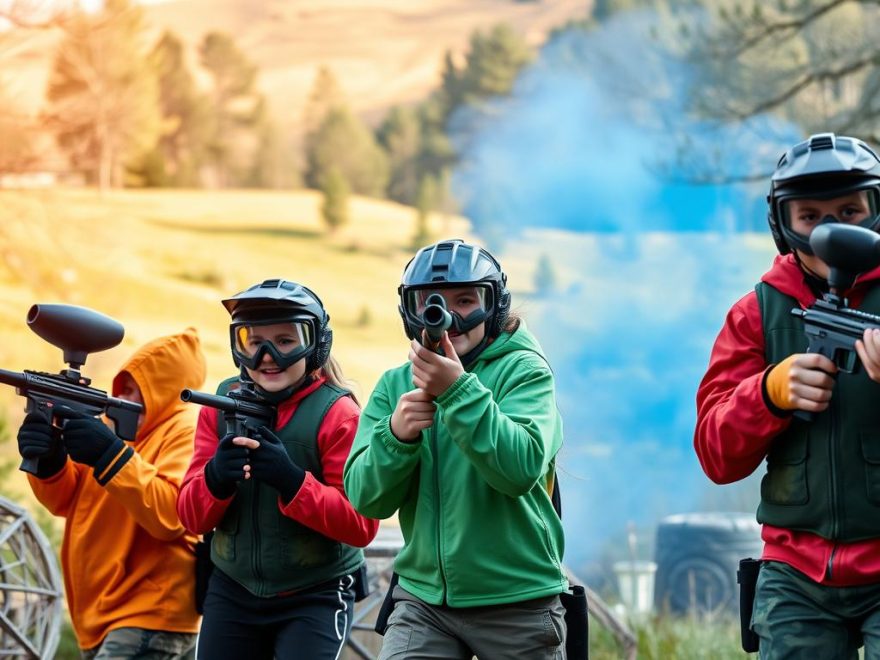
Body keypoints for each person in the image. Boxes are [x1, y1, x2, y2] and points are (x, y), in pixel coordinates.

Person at [694, 132, 880, 659]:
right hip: (795, 574)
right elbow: (714, 452)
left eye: (849, 209)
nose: (833, 229)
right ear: (783, 224)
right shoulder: (757, 313)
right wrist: (769, 394)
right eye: (812, 217)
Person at [343, 239, 568, 659]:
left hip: (518, 599)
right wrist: (397, 436)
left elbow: (519, 468)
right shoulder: (395, 385)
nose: (448, 317)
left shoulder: (525, 371)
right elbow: (365, 498)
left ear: (495, 305)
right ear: (409, 312)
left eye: (466, 300)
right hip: (423, 601)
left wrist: (457, 392)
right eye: (430, 302)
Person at [176, 279, 379, 660]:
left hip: (315, 593)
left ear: (315, 344)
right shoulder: (221, 405)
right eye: (254, 342)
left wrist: (292, 482)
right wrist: (216, 479)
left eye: (285, 341)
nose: (267, 356)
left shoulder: (339, 414)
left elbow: (360, 524)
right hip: (232, 589)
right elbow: (190, 517)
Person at [16, 327, 207, 658]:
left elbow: (174, 516)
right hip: (106, 615)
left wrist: (109, 455)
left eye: (137, 391)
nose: (126, 400)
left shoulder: (186, 429)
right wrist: (49, 461)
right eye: (124, 390)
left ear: (164, 390)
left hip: (149, 612)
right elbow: (67, 501)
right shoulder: (117, 430)